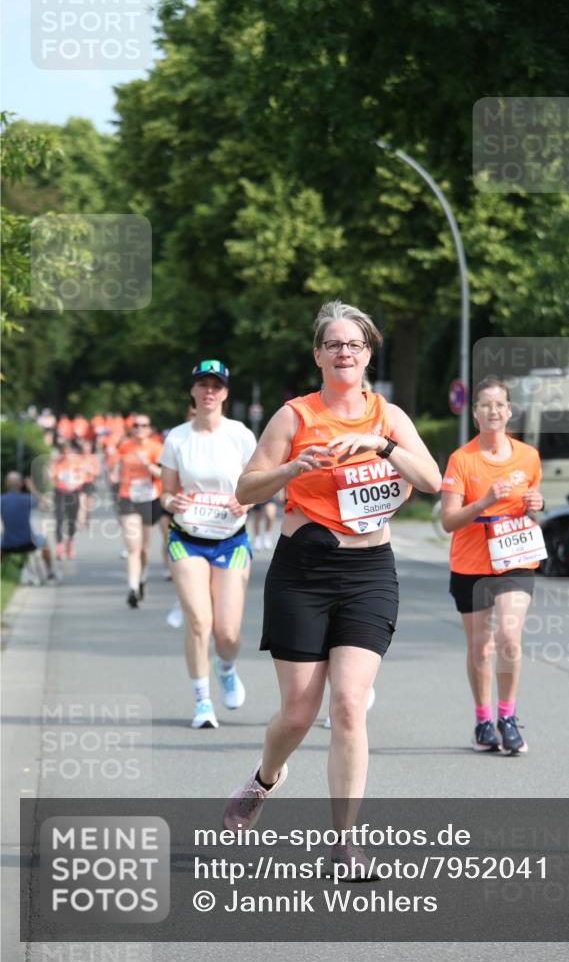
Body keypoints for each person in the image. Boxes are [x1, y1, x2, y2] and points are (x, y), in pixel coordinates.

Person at [223, 300, 441, 871]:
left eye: (355, 344)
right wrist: (293, 469)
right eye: (334, 344)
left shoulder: (388, 416)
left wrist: (381, 446)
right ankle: (265, 779)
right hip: (303, 572)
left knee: (348, 704)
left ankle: (345, 840)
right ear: (318, 354)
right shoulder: (293, 417)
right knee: (297, 713)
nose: (345, 352)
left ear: (368, 353)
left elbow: (433, 481)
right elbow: (246, 490)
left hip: (369, 572)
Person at [440, 376, 545, 756]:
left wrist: (538, 503)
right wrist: (483, 501)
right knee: (481, 648)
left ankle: (508, 718)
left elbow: (532, 501)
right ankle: (483, 720)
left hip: (516, 559)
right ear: (475, 414)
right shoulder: (461, 460)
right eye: (485, 405)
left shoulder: (528, 456)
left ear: (509, 411)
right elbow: (448, 521)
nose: (493, 411)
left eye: (500, 404)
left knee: (509, 640)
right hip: (470, 562)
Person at [159, 360, 257, 729]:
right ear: (193, 391)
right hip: (187, 538)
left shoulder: (241, 435)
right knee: (199, 621)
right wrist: (172, 502)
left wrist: (245, 501)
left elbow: (259, 483)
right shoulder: (178, 438)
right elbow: (166, 493)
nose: (209, 391)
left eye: (216, 385)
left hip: (231, 539)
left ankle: (226, 667)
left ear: (226, 393)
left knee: (227, 633)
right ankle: (202, 703)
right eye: (202, 384)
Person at [114, 414, 163, 608]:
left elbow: (163, 474)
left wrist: (148, 464)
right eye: (136, 425)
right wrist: (114, 474)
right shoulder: (124, 446)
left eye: (144, 425)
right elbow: (118, 466)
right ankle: (132, 588)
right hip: (128, 497)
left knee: (144, 548)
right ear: (131, 428)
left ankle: (142, 578)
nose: (140, 428)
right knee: (133, 547)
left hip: (150, 499)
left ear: (149, 428)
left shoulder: (156, 448)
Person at [1, 472, 57, 580]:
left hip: (7, 544)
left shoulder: (1, 500)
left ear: (6, 485)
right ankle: (50, 572)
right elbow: (47, 506)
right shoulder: (27, 499)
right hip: (28, 542)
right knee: (44, 542)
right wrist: (33, 489)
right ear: (21, 485)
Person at [49, 441, 87, 559]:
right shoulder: (56, 461)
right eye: (63, 450)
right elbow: (50, 476)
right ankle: (59, 547)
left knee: (72, 520)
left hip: (73, 492)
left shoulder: (77, 461)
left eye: (67, 450)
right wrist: (50, 466)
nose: (65, 453)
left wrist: (74, 485)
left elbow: (82, 476)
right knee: (59, 520)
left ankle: (70, 543)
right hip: (60, 492)